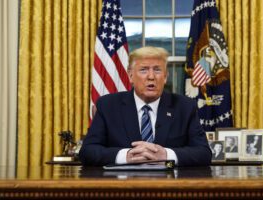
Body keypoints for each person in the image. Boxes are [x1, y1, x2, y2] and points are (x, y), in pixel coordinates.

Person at [79, 46, 212, 166]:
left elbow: (204, 153)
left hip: (170, 186)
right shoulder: (108, 106)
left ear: (165, 77)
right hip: (121, 187)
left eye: (157, 70)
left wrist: (166, 155)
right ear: (130, 76)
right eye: (143, 70)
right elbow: (87, 151)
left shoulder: (185, 107)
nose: (151, 76)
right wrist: (126, 156)